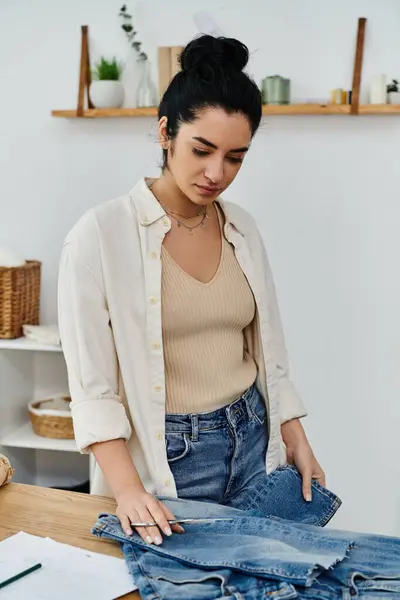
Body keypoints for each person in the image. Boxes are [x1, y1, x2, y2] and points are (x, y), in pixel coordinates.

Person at [58, 34, 325, 548]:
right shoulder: (100, 235)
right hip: (174, 460)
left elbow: (268, 348)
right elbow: (93, 388)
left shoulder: (241, 229)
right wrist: (129, 489)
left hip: (253, 441)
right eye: (202, 150)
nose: (216, 174)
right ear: (165, 133)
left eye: (235, 158)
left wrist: (296, 437)